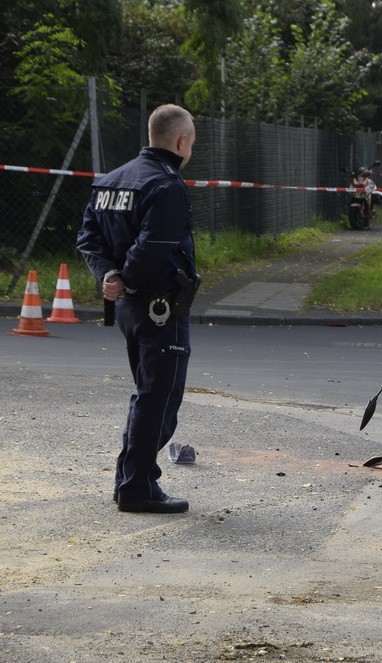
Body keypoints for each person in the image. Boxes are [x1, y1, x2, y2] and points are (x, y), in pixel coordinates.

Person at [77, 104, 199, 514]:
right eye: (192, 141)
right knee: (159, 398)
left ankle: (130, 480)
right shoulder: (166, 186)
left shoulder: (110, 181)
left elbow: (88, 239)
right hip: (158, 307)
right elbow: (153, 246)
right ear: (181, 140)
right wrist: (125, 277)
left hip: (129, 309)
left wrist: (110, 275)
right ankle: (138, 489)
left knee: (147, 394)